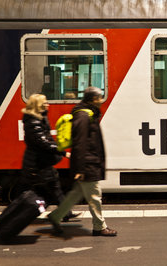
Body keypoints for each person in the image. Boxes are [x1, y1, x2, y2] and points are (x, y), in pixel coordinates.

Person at [48, 87, 117, 236]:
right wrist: (80, 169)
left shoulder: (88, 114)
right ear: (93, 99)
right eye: (99, 98)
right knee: (95, 197)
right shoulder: (83, 116)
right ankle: (100, 227)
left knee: (76, 194)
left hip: (88, 162)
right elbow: (80, 144)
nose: (101, 101)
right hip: (87, 164)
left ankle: (55, 216)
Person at [18, 93, 79, 222]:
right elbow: (43, 142)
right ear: (39, 105)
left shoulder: (37, 119)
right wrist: (63, 152)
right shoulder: (33, 121)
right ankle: (20, 215)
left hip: (41, 161)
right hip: (37, 162)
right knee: (45, 190)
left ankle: (65, 213)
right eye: (45, 103)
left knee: (53, 187)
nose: (48, 104)